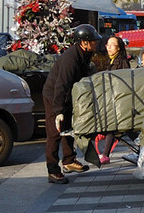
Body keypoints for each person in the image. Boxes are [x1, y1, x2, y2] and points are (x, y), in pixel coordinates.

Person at [43, 24, 101, 184]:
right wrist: (58, 111)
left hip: (68, 97)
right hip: (55, 97)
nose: (96, 43)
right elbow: (62, 85)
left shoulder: (83, 54)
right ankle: (53, 171)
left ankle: (69, 161)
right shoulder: (71, 58)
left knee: (68, 129)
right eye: (93, 41)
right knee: (55, 133)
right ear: (83, 42)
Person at [94, 35, 130, 165]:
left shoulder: (122, 62)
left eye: (112, 45)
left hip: (118, 101)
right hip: (110, 100)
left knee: (113, 127)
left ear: (119, 47)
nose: (109, 47)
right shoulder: (108, 61)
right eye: (107, 45)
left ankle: (105, 154)